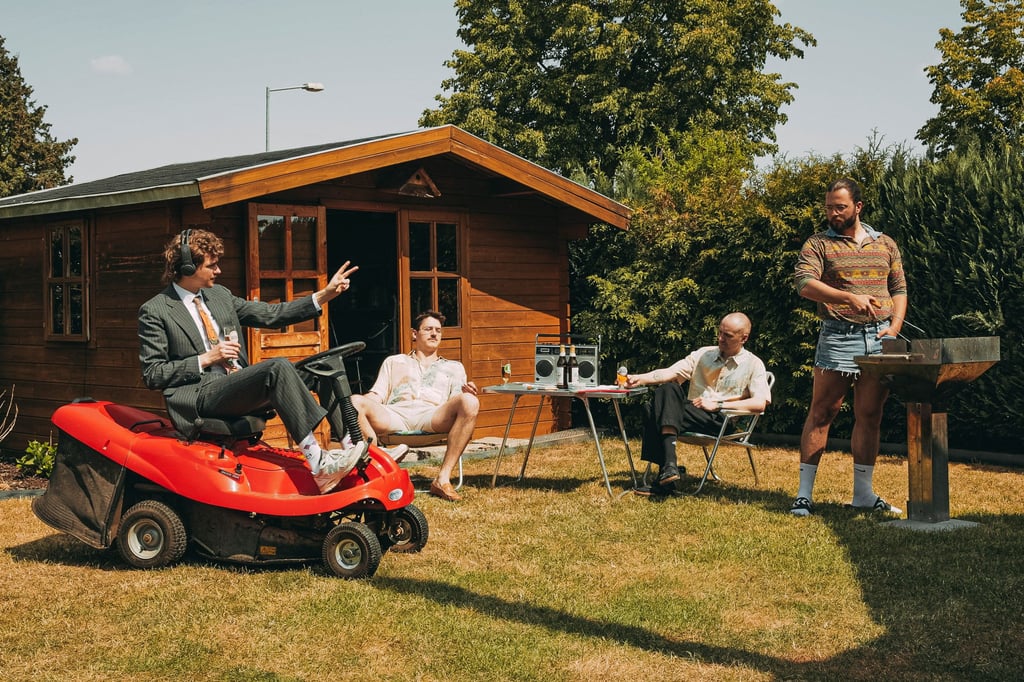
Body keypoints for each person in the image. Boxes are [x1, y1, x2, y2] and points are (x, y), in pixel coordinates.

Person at [139, 228, 367, 494]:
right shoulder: (155, 310)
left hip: (236, 385)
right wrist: (207, 358)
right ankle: (319, 465)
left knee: (324, 365)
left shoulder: (220, 296)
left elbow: (272, 314)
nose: (219, 271)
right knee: (276, 367)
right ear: (188, 267)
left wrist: (325, 294)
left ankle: (354, 448)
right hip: (201, 396)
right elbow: (153, 373)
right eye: (212, 265)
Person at [790, 177, 908, 516]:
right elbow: (804, 284)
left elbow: (898, 289)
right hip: (837, 336)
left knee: (870, 414)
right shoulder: (818, 244)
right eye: (829, 207)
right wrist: (848, 298)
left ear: (858, 207)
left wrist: (895, 327)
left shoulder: (885, 244)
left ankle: (863, 494)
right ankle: (803, 495)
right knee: (823, 412)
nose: (833, 213)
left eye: (839, 207)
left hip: (880, 338)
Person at [626, 312, 772, 495]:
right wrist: (639, 379)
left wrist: (718, 405)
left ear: (744, 338)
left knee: (652, 410)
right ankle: (669, 467)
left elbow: (760, 403)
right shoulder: (704, 354)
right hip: (692, 412)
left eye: (727, 335)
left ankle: (665, 475)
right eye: (719, 333)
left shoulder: (753, 364)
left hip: (722, 419)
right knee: (667, 389)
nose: (720, 338)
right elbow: (670, 372)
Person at [351, 311, 480, 501]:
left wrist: (467, 393)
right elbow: (377, 394)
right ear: (414, 334)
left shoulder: (454, 367)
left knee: (470, 401)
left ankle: (442, 479)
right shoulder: (394, 362)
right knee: (354, 401)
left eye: (438, 330)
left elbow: (456, 399)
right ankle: (376, 469)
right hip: (395, 415)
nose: (434, 334)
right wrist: (362, 403)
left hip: (432, 416)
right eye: (428, 329)